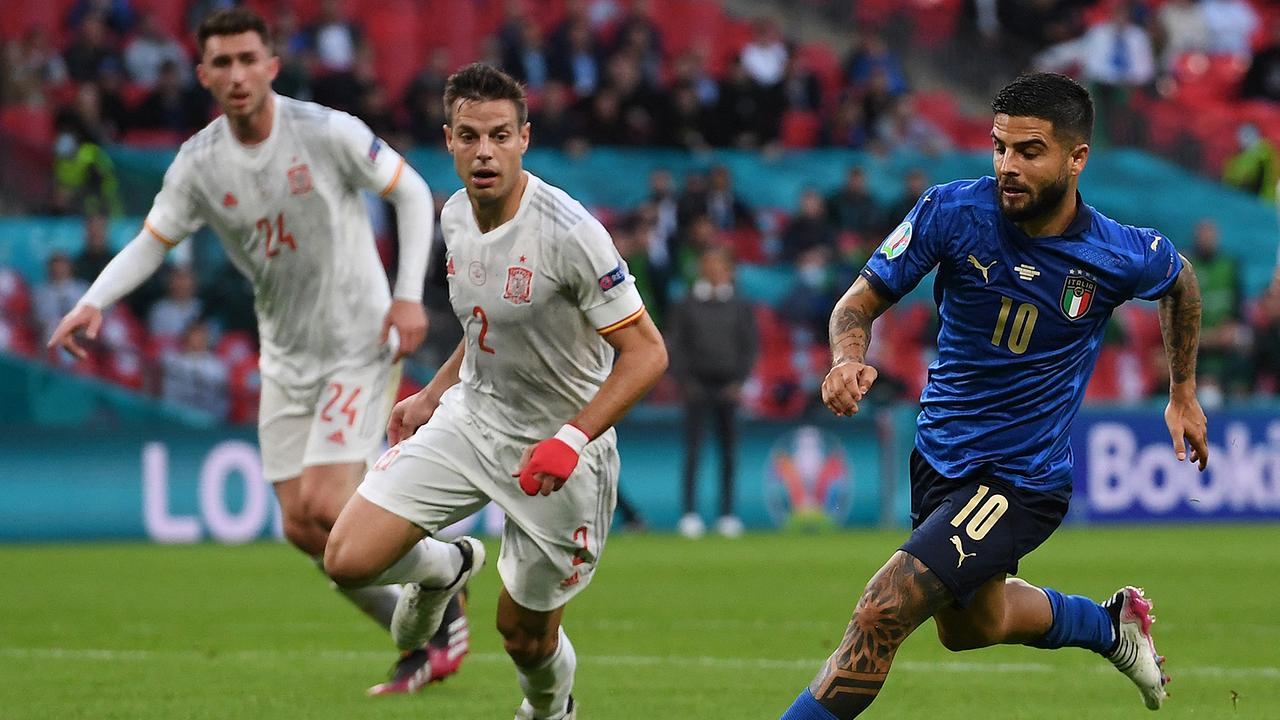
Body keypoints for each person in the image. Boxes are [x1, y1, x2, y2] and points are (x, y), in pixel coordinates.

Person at [47, 8, 467, 695]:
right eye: (224, 62)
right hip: (286, 358)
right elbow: (154, 240)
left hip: (358, 341)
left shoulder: (325, 131)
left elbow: (412, 192)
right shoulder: (200, 164)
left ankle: (447, 568)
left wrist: (406, 295)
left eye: (250, 59)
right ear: (203, 74)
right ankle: (418, 625)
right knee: (304, 530)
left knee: (334, 505)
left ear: (272, 65)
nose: (238, 74)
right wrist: (93, 300)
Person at [779, 72, 1208, 720]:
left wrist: (1182, 391)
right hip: (940, 459)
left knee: (882, 610)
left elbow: (1182, 283)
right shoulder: (951, 211)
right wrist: (847, 357)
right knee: (971, 626)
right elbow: (859, 301)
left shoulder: (1115, 252)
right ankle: (1109, 626)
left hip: (1022, 478)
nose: (1008, 165)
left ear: (1076, 158)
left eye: (1029, 151)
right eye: (999, 147)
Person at [322, 63, 668, 720]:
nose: (485, 151)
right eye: (470, 135)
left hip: (563, 453)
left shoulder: (569, 233)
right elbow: (487, 323)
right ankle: (446, 568)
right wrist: (432, 394)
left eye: (500, 136)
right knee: (347, 558)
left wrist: (569, 439)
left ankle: (549, 709)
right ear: (448, 140)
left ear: (525, 139)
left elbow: (648, 353)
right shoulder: (452, 215)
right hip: (473, 418)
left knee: (524, 637)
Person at [668, 246, 758, 539]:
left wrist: (740, 381)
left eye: (720, 265)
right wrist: (686, 381)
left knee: (729, 453)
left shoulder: (740, 305)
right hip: (696, 387)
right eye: (709, 264)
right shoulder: (686, 304)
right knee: (693, 451)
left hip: (729, 387)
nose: (714, 270)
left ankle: (727, 514)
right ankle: (690, 513)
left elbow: (749, 346)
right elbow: (677, 345)